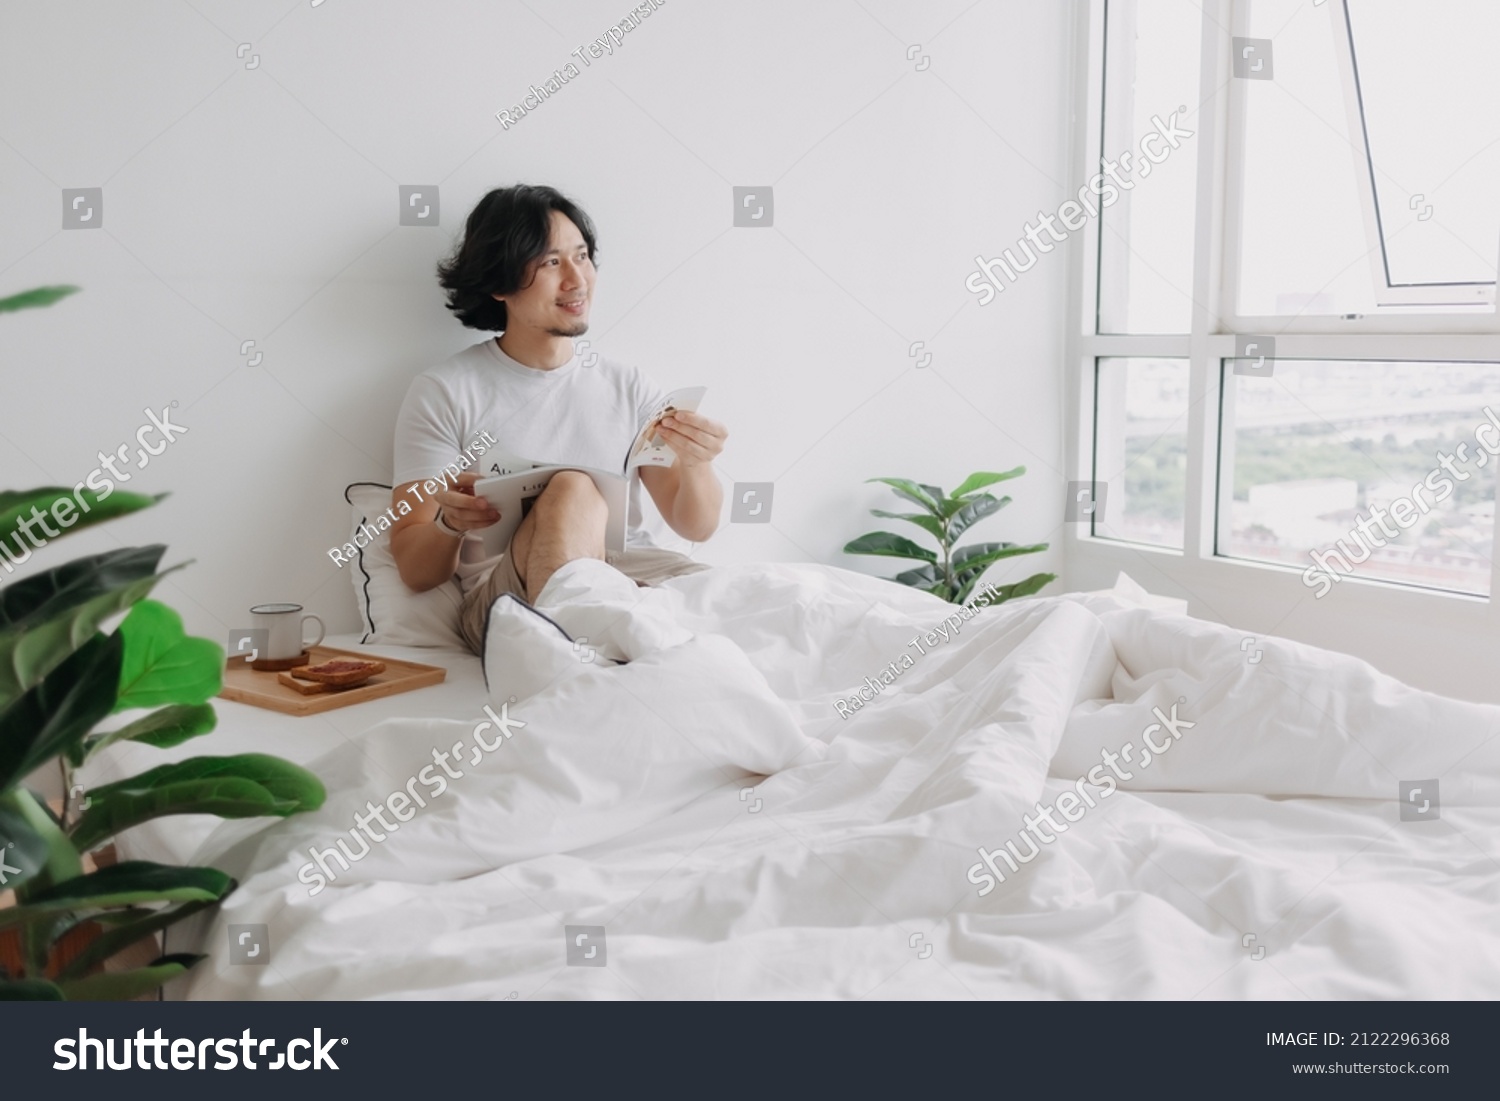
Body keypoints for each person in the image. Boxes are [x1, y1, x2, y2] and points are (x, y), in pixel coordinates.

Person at [389, 184, 726, 654]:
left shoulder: (630, 387)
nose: (577, 279)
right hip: (512, 601)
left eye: (582, 256)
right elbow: (413, 566)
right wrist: (450, 524)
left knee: (751, 605)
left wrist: (696, 463)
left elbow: (696, 527)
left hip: (633, 576)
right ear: (499, 283)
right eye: (551, 262)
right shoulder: (446, 392)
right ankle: (577, 668)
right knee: (571, 486)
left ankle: (640, 657)